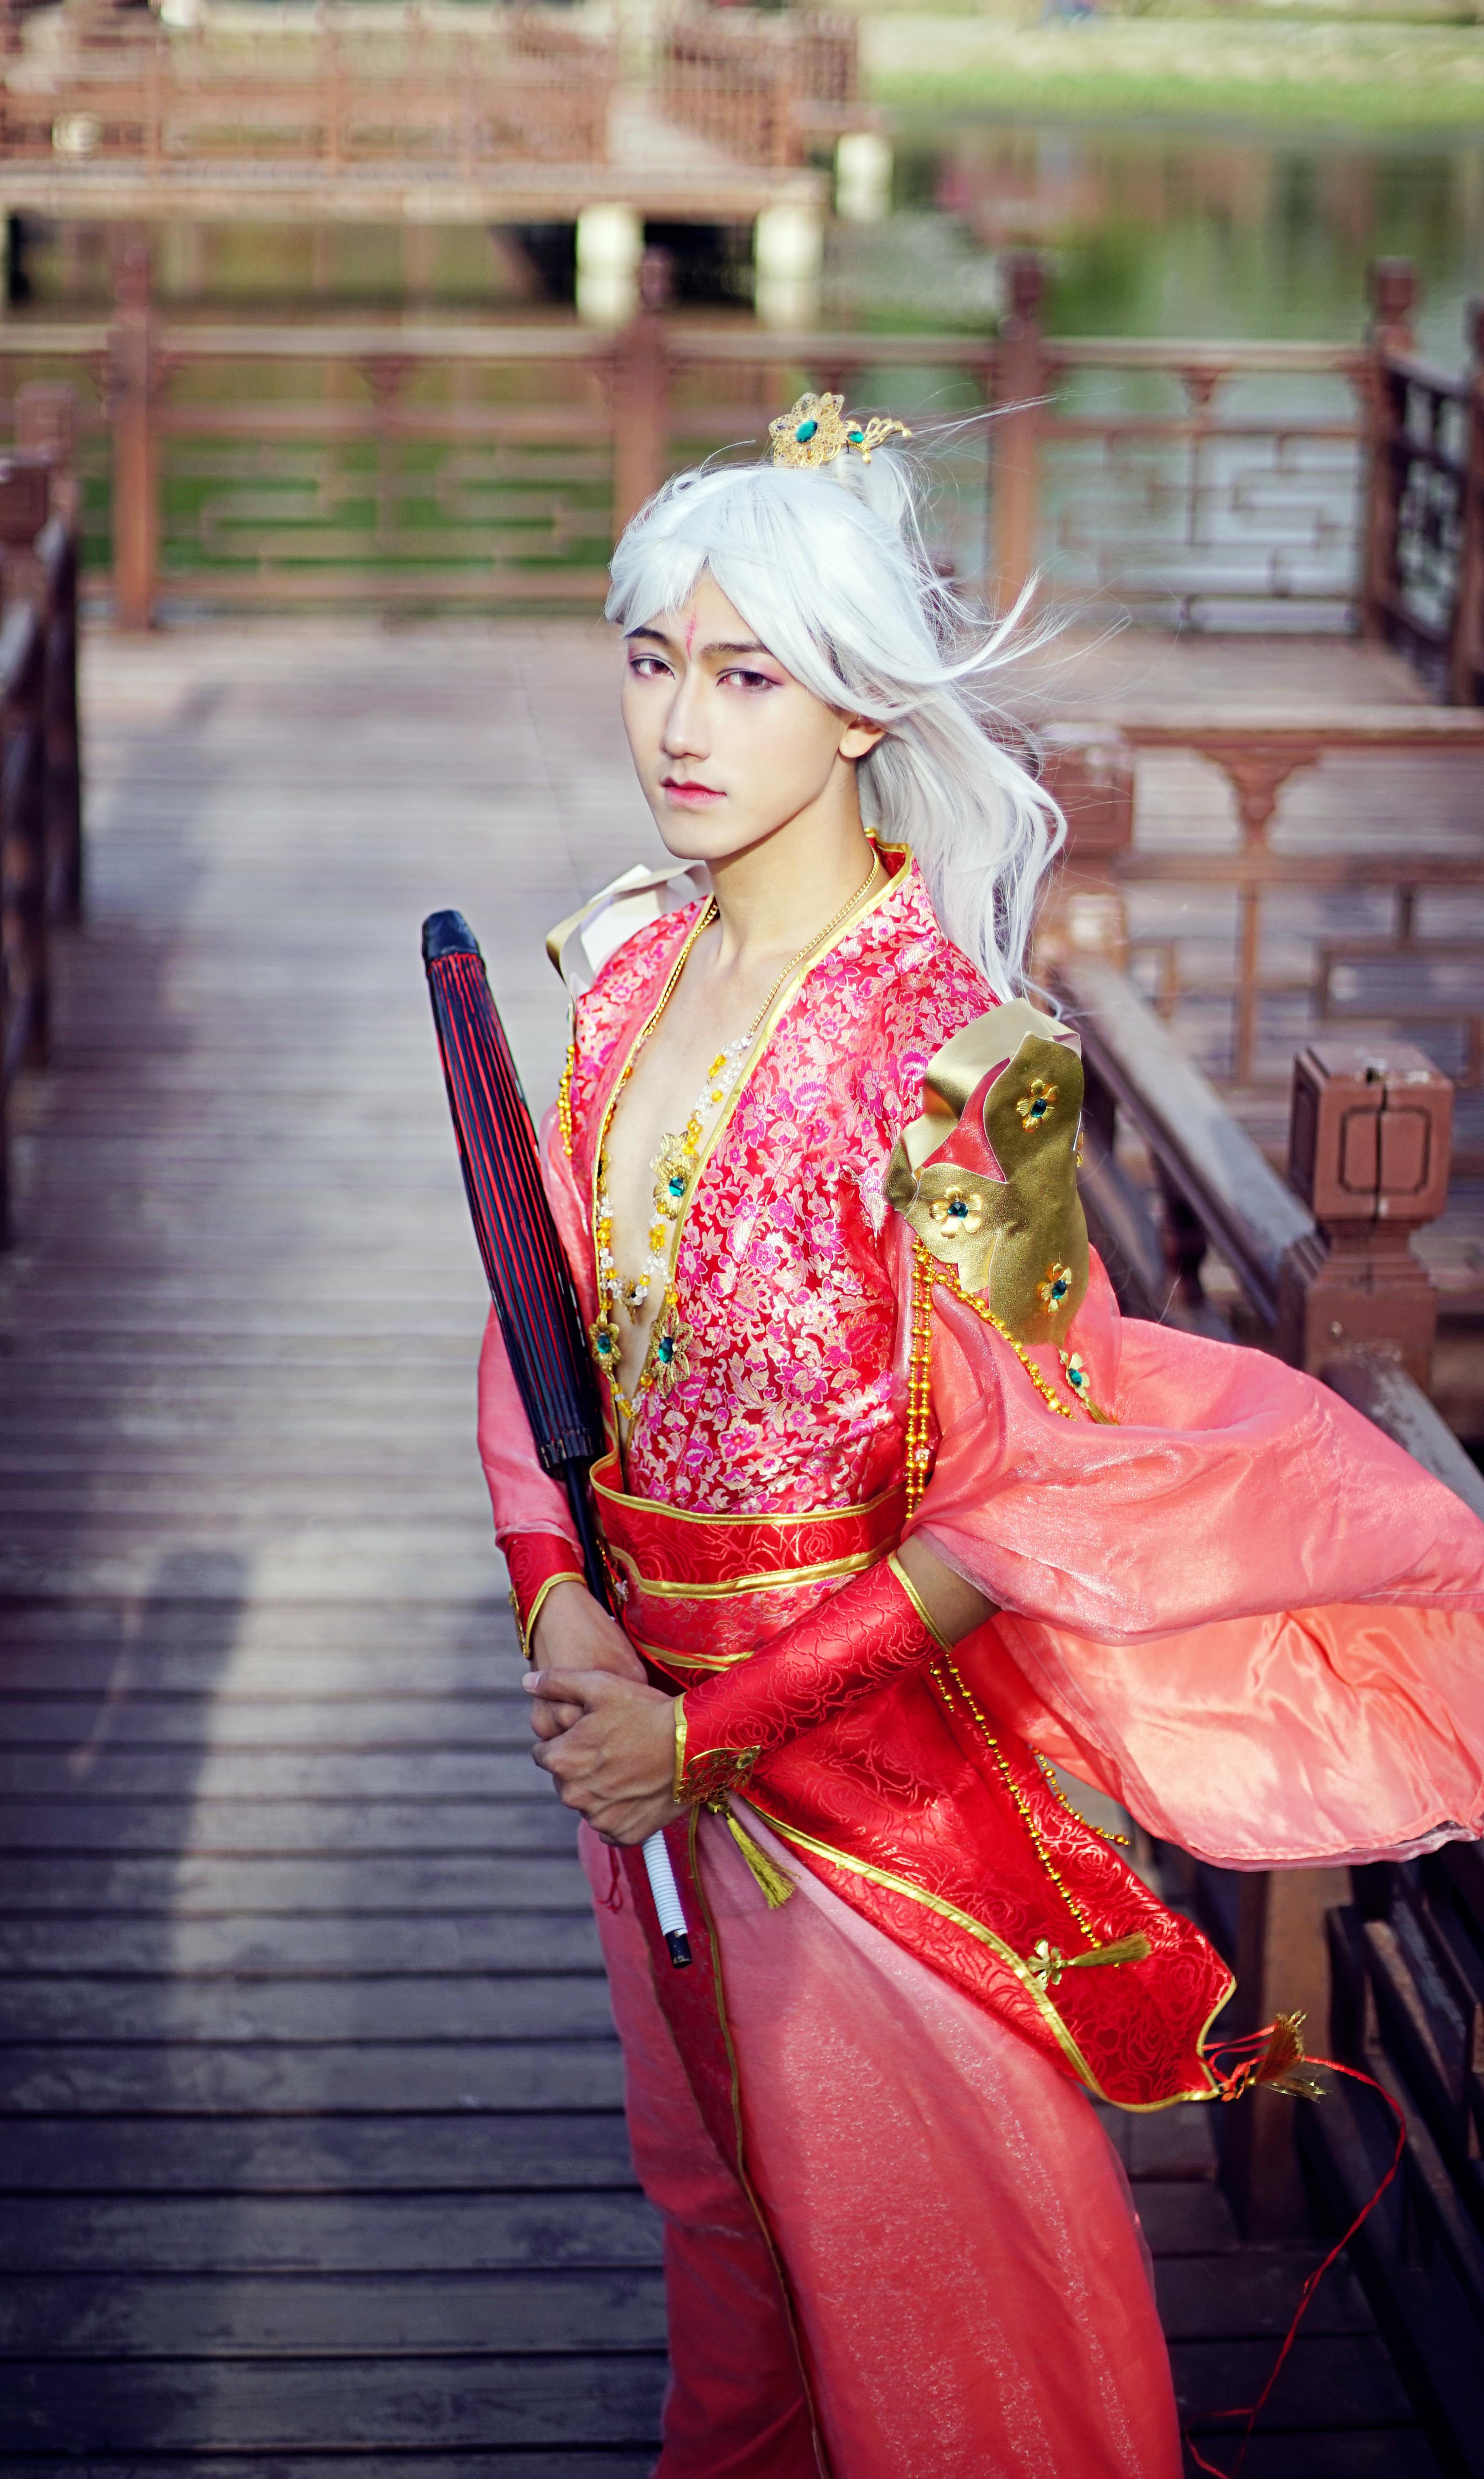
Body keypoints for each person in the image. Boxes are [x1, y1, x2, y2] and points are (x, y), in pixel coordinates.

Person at [474, 395, 1484, 2479]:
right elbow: (538, 1324)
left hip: (865, 1771)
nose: (682, 724)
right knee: (722, 2252)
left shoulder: (968, 1061)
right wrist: (556, 1602)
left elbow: (1030, 1501)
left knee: (948, 2295)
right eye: (654, 661)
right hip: (630, 1742)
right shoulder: (622, 970)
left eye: (748, 676)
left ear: (861, 706)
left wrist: (716, 1724)